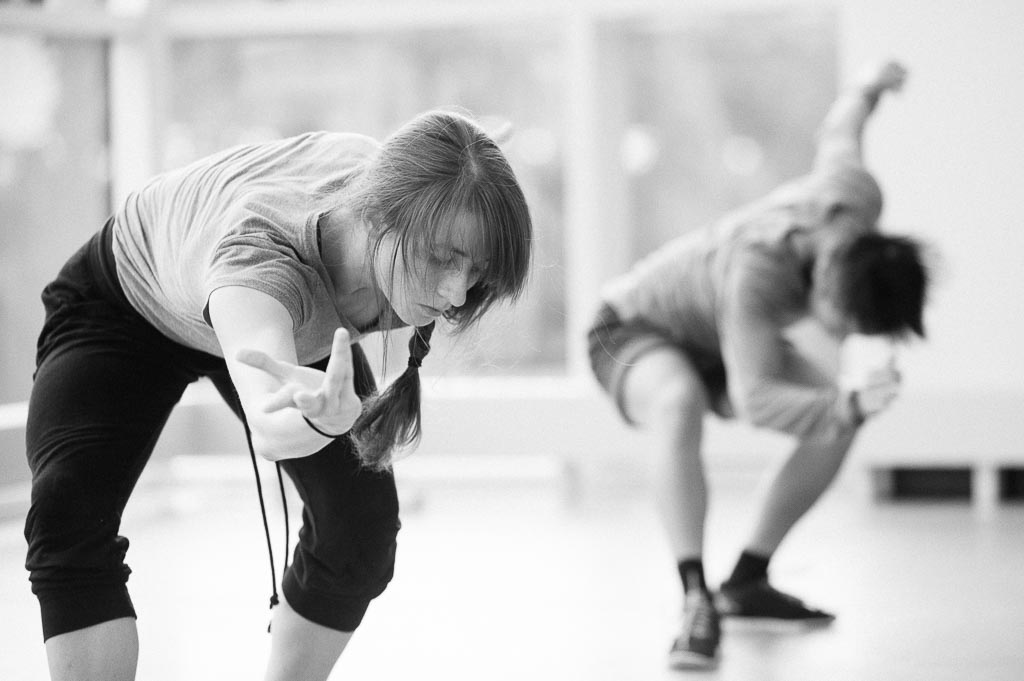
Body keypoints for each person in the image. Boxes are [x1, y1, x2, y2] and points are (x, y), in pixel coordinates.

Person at [24, 109, 532, 681]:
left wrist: (480, 144)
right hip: (128, 302)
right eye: (442, 258)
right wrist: (322, 424)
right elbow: (270, 416)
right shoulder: (259, 257)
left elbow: (448, 157)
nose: (458, 292)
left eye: (476, 268)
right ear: (377, 218)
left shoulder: (407, 188)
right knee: (67, 512)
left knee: (359, 527)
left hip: (284, 313)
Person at [587, 60, 929, 669]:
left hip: (720, 336)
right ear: (825, 278)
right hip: (632, 326)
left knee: (836, 419)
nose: (841, 335)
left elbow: (840, 132)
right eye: (843, 323)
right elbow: (756, 400)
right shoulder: (758, 274)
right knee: (680, 401)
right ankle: (696, 600)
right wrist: (845, 399)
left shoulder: (853, 198)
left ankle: (747, 579)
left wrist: (869, 88)